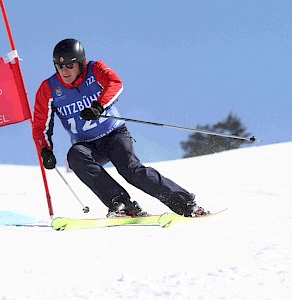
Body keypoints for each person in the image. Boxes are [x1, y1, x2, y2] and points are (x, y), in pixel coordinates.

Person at [32, 38, 208, 218]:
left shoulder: (96, 69)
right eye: (60, 66)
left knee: (130, 170)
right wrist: (45, 150)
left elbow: (115, 83)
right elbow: (39, 125)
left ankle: (184, 203)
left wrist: (98, 106)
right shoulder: (49, 89)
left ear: (80, 64)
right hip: (87, 145)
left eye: (70, 66)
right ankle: (121, 203)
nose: (64, 71)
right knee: (75, 156)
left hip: (114, 135)